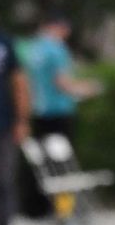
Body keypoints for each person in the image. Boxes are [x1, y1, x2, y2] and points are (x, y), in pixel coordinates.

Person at [26, 12, 100, 143]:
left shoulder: (34, 48)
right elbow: (62, 83)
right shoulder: (57, 49)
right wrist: (88, 89)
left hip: (37, 110)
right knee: (60, 158)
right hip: (58, 111)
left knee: (43, 156)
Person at [0, 25, 28, 225]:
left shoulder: (3, 44)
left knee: (2, 180)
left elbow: (18, 82)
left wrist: (22, 119)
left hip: (2, 124)